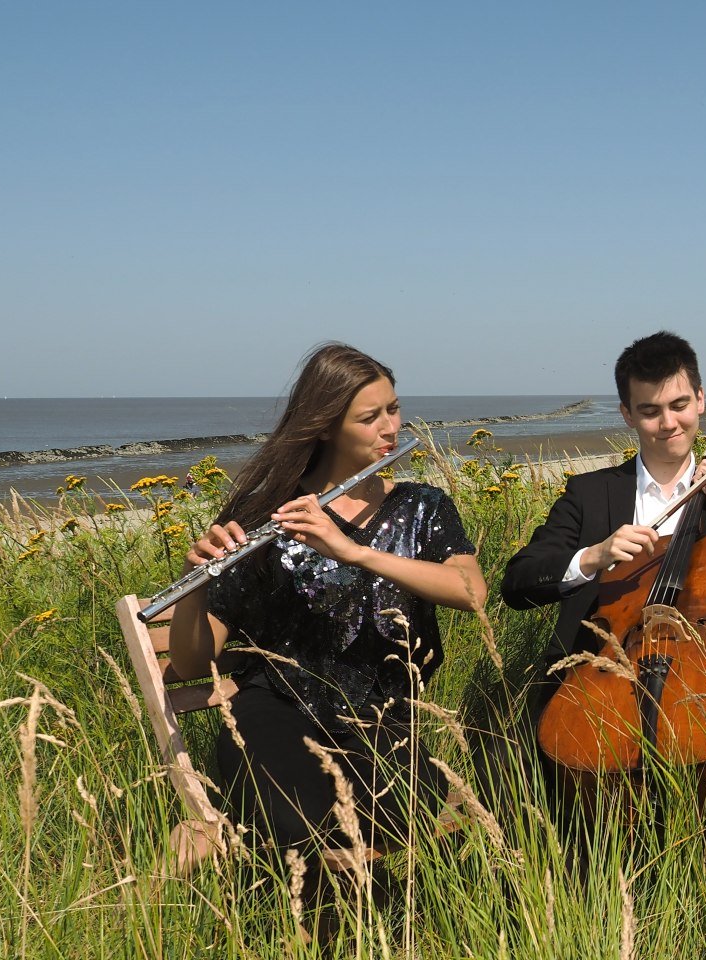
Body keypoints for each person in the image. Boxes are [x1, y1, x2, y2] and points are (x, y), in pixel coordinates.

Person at [169, 343, 484, 928]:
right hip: (277, 711)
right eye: (370, 417)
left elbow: (470, 591)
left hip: (382, 718)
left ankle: (232, 843)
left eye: (394, 408)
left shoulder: (422, 507)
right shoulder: (270, 511)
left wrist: (354, 552)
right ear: (327, 425)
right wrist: (195, 584)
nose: (391, 427)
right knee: (306, 828)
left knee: (390, 824)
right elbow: (190, 663)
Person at [500, 332, 706, 797]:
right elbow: (518, 584)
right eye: (650, 411)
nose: (668, 423)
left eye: (679, 405)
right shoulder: (590, 494)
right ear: (628, 414)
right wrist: (592, 556)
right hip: (595, 690)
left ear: (701, 400)